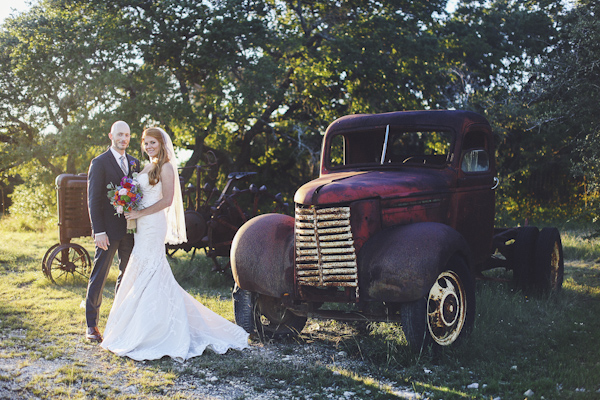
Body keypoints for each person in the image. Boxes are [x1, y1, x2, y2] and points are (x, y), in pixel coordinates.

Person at [100, 127, 249, 361]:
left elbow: (167, 200)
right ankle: (140, 326)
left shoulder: (166, 167)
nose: (149, 146)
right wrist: (128, 204)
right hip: (141, 226)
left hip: (153, 224)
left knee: (151, 269)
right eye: (146, 143)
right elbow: (140, 194)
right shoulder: (146, 166)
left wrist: (139, 214)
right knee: (142, 270)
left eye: (153, 143)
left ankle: (155, 331)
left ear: (162, 144)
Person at [86, 120, 140, 343]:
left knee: (127, 275)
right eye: (119, 135)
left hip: (130, 230)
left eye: (127, 135)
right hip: (107, 231)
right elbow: (94, 200)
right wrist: (98, 230)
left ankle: (119, 319)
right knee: (100, 275)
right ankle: (91, 325)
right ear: (111, 136)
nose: (123, 139)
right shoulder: (99, 163)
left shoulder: (135, 163)